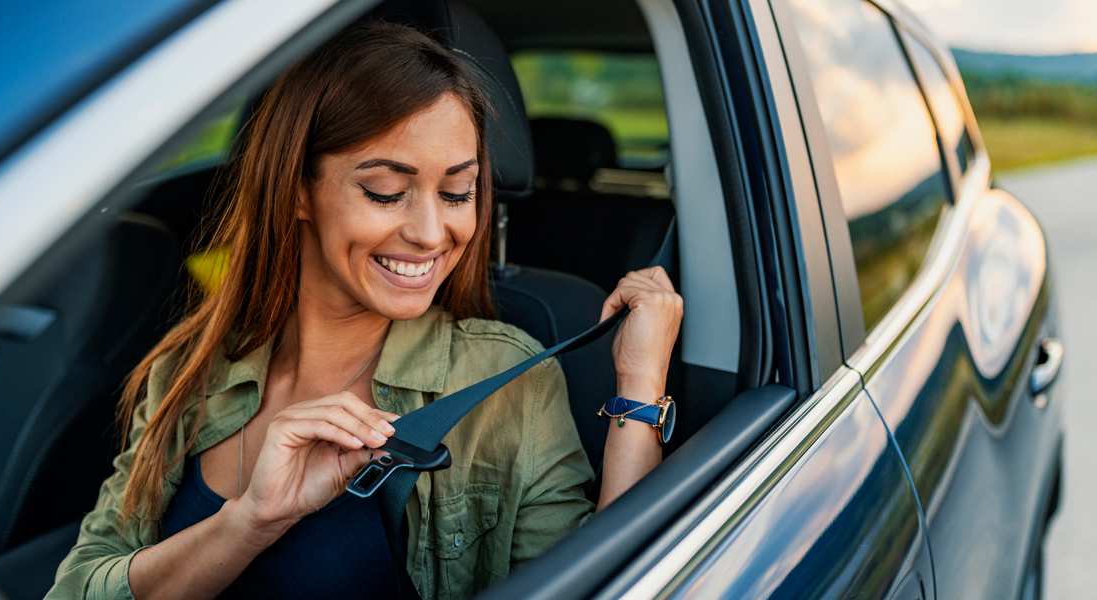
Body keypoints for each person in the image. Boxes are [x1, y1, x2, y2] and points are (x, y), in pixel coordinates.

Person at [47, 21, 682, 600]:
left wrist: (640, 387)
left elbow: (605, 583)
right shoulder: (191, 370)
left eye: (458, 191)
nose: (432, 232)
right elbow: (78, 584)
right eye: (385, 192)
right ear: (298, 190)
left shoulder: (505, 380)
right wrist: (248, 522)